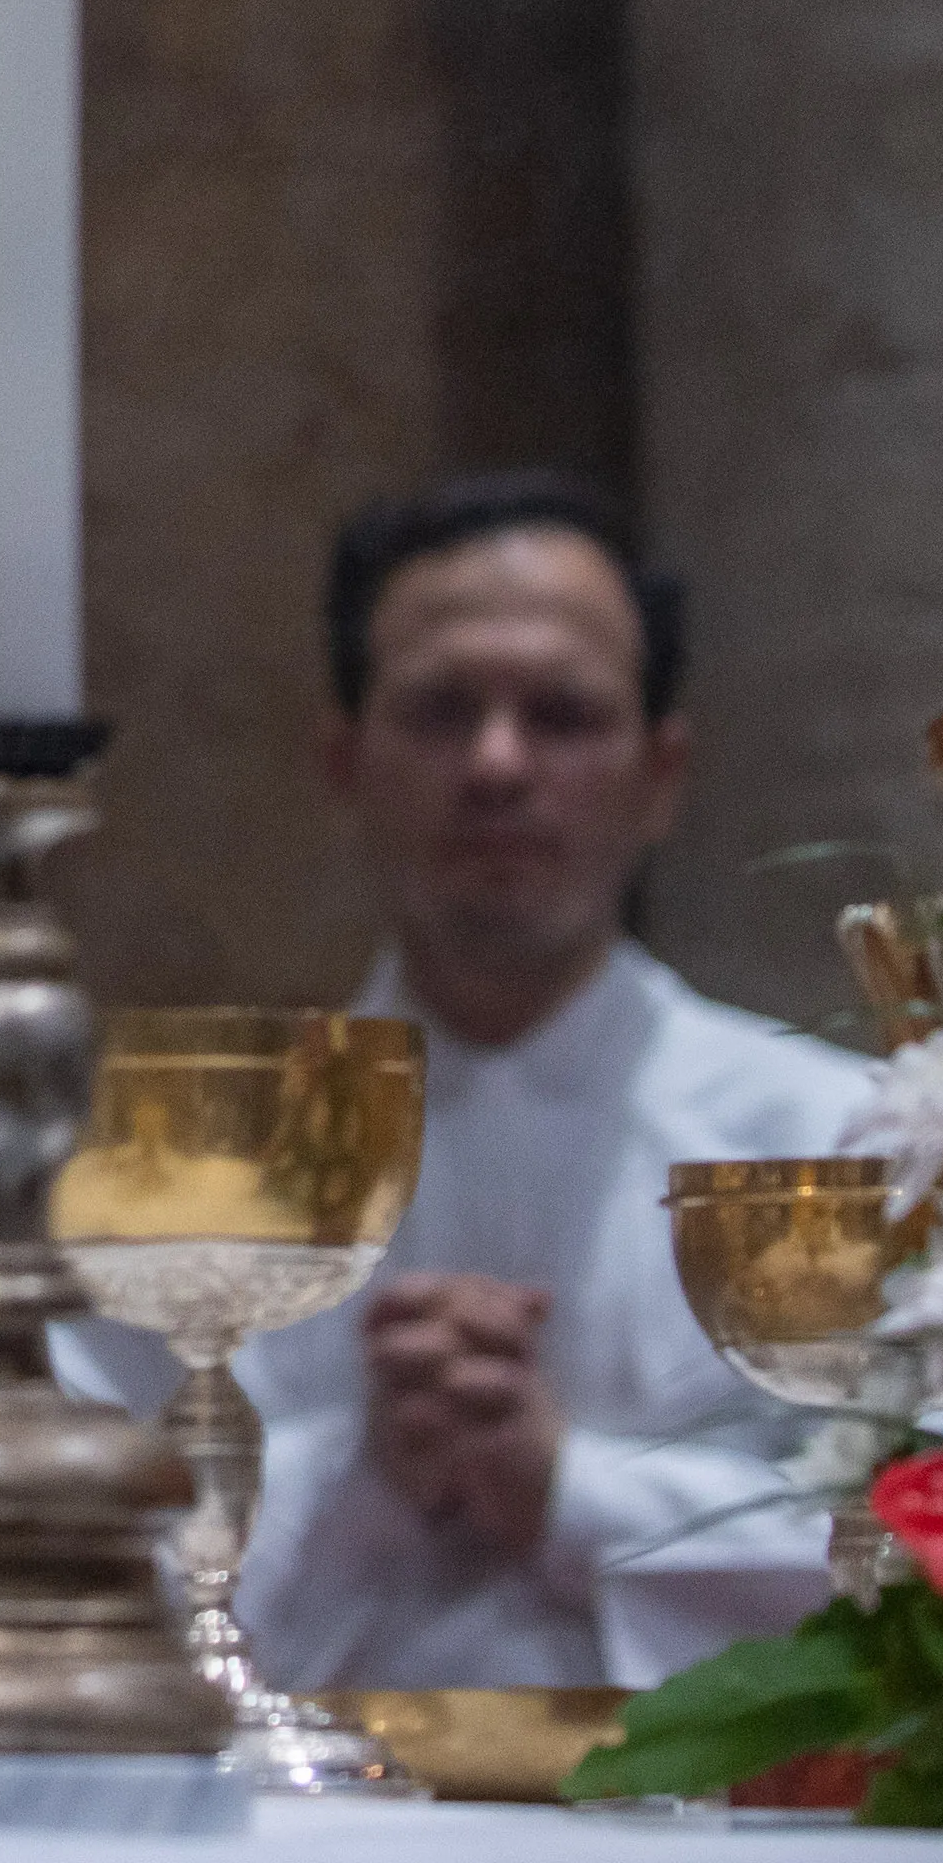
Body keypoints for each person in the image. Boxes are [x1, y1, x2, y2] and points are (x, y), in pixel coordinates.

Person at [70, 469, 865, 1692]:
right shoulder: (182, 1169)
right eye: (442, 710)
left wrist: (567, 1487)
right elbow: (71, 1570)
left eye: (564, 713)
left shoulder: (834, 1137)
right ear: (343, 762)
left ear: (663, 773)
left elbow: (933, 1561)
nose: (498, 762)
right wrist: (370, 1475)